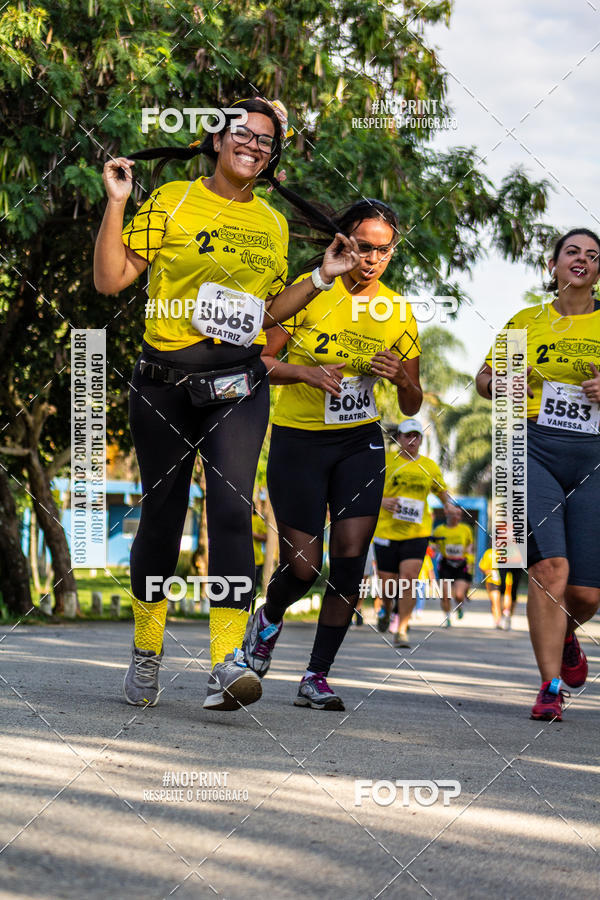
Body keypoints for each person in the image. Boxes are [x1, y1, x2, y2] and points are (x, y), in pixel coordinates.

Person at [94, 97, 360, 711]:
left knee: (232, 509)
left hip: (236, 383)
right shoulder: (172, 200)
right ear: (216, 139)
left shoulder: (272, 222)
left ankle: (226, 662)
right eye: (244, 133)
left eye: (266, 141)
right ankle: (147, 650)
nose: (254, 146)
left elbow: (263, 316)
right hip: (163, 381)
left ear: (271, 158)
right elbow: (111, 280)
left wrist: (322, 277)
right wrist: (116, 204)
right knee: (163, 513)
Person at [242, 199, 423, 709]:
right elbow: (260, 359)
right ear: (343, 241)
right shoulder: (311, 290)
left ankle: (316, 676)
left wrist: (400, 377)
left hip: (359, 442)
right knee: (303, 567)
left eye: (383, 250)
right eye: (364, 246)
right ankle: (268, 617)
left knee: (349, 562)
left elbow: (412, 402)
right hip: (298, 439)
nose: (372, 259)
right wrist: (305, 373)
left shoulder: (398, 311)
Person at [477, 228, 600, 721]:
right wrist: (501, 381)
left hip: (593, 457)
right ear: (553, 265)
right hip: (531, 448)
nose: (582, 259)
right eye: (572, 251)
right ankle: (550, 687)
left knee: (586, 592)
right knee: (550, 570)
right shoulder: (526, 321)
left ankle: (565, 633)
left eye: (593, 255)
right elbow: (484, 379)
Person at [372, 419, 453, 647]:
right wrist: (382, 501)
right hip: (386, 531)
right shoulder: (386, 461)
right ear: (398, 438)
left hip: (417, 531)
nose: (412, 440)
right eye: (407, 436)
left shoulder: (429, 466)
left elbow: (441, 490)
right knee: (388, 585)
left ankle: (402, 629)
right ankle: (387, 608)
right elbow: (366, 488)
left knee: (408, 579)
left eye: (416, 436)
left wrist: (448, 505)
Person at [432, 506, 474, 625]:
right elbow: (434, 544)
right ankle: (447, 616)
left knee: (459, 595)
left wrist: (469, 558)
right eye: (454, 514)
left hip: (461, 564)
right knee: (445, 594)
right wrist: (432, 549)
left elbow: (470, 544)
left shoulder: (465, 529)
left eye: (459, 514)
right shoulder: (439, 530)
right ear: (447, 514)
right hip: (446, 564)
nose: (456, 517)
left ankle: (459, 607)